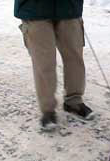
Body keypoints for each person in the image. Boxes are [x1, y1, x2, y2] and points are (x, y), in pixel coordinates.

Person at [14, 0, 94, 130]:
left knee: (75, 58)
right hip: (34, 9)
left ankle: (74, 101)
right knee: (44, 62)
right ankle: (48, 110)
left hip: (69, 7)